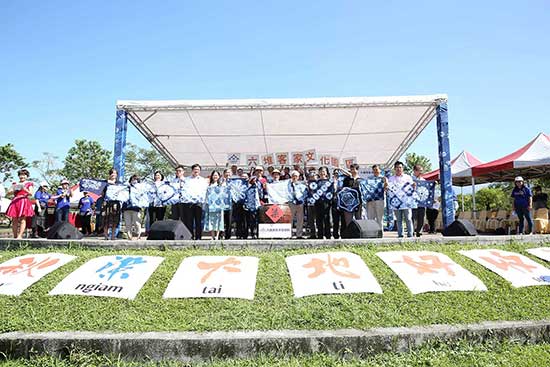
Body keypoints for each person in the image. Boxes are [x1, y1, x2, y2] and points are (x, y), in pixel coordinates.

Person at [388, 161, 415, 238]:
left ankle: (410, 235)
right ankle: (400, 235)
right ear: (394, 169)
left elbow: (412, 187)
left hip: (406, 201)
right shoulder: (391, 178)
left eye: (400, 167)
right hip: (396, 202)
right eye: (397, 167)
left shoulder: (408, 177)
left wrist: (414, 185)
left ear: (403, 168)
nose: (398, 169)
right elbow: (389, 189)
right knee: (398, 219)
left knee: (408, 218)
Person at [5, 169, 35, 239]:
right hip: (15, 201)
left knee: (23, 219)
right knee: (14, 219)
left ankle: (20, 235)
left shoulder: (29, 183)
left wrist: (24, 188)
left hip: (24, 201)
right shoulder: (15, 183)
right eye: (21, 175)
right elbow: (8, 193)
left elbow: (31, 193)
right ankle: (15, 235)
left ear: (27, 176)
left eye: (24, 175)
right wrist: (14, 190)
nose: (22, 176)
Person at [365, 164, 388, 232]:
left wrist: (386, 183)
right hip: (370, 200)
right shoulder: (369, 178)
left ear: (380, 170)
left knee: (379, 218)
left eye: (377, 169)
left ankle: (380, 233)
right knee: (370, 217)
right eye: (374, 170)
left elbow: (386, 188)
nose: (375, 171)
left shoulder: (383, 178)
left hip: (379, 200)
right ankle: (371, 233)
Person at [204, 170, 225, 240]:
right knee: (211, 220)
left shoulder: (221, 185)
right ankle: (212, 236)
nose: (215, 176)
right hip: (210, 206)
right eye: (214, 175)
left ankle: (217, 236)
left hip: (219, 206)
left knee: (219, 220)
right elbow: (206, 195)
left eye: (216, 175)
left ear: (219, 176)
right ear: (212, 176)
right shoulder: (209, 186)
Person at [103, 168, 121, 240]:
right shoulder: (105, 183)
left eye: (115, 173)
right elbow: (102, 193)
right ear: (109, 174)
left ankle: (113, 235)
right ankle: (106, 235)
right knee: (106, 220)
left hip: (116, 203)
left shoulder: (119, 183)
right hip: (107, 203)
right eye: (112, 173)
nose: (113, 174)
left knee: (115, 220)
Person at [314, 166, 333, 239]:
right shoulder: (316, 182)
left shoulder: (329, 182)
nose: (322, 173)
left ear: (326, 172)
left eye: (324, 171)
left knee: (326, 218)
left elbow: (331, 191)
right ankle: (320, 235)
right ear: (318, 173)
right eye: (321, 171)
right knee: (318, 219)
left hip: (326, 202)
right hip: (317, 202)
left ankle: (328, 235)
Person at [123, 174, 142, 240]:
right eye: (133, 179)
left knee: (137, 223)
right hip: (126, 208)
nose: (134, 181)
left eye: (136, 179)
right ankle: (129, 237)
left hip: (136, 208)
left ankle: (138, 236)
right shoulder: (126, 188)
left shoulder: (140, 189)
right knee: (128, 224)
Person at [289, 170, 305, 239]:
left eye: (296, 176)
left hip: (300, 203)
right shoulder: (288, 185)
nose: (295, 177)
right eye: (293, 176)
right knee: (290, 219)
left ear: (298, 177)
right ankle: (289, 234)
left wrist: (302, 200)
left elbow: (305, 194)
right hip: (291, 203)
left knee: (300, 219)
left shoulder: (302, 185)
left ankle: (299, 234)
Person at [411, 164, 426, 237]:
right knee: (412, 217)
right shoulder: (410, 179)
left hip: (421, 202)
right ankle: (412, 231)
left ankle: (419, 231)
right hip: (412, 201)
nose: (421, 172)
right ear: (414, 171)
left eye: (421, 171)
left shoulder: (424, 180)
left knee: (421, 217)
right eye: (419, 171)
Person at [331, 168, 345, 239]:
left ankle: (343, 233)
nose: (336, 175)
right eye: (335, 173)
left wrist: (341, 169)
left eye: (338, 173)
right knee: (335, 220)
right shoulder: (331, 181)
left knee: (343, 219)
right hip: (334, 201)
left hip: (342, 202)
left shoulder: (343, 180)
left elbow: (349, 175)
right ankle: (335, 234)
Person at [221, 169, 233, 239]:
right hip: (222, 203)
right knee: (221, 219)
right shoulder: (221, 181)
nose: (228, 174)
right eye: (226, 172)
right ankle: (221, 234)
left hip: (230, 203)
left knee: (229, 219)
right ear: (224, 173)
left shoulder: (233, 182)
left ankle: (228, 235)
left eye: (229, 172)